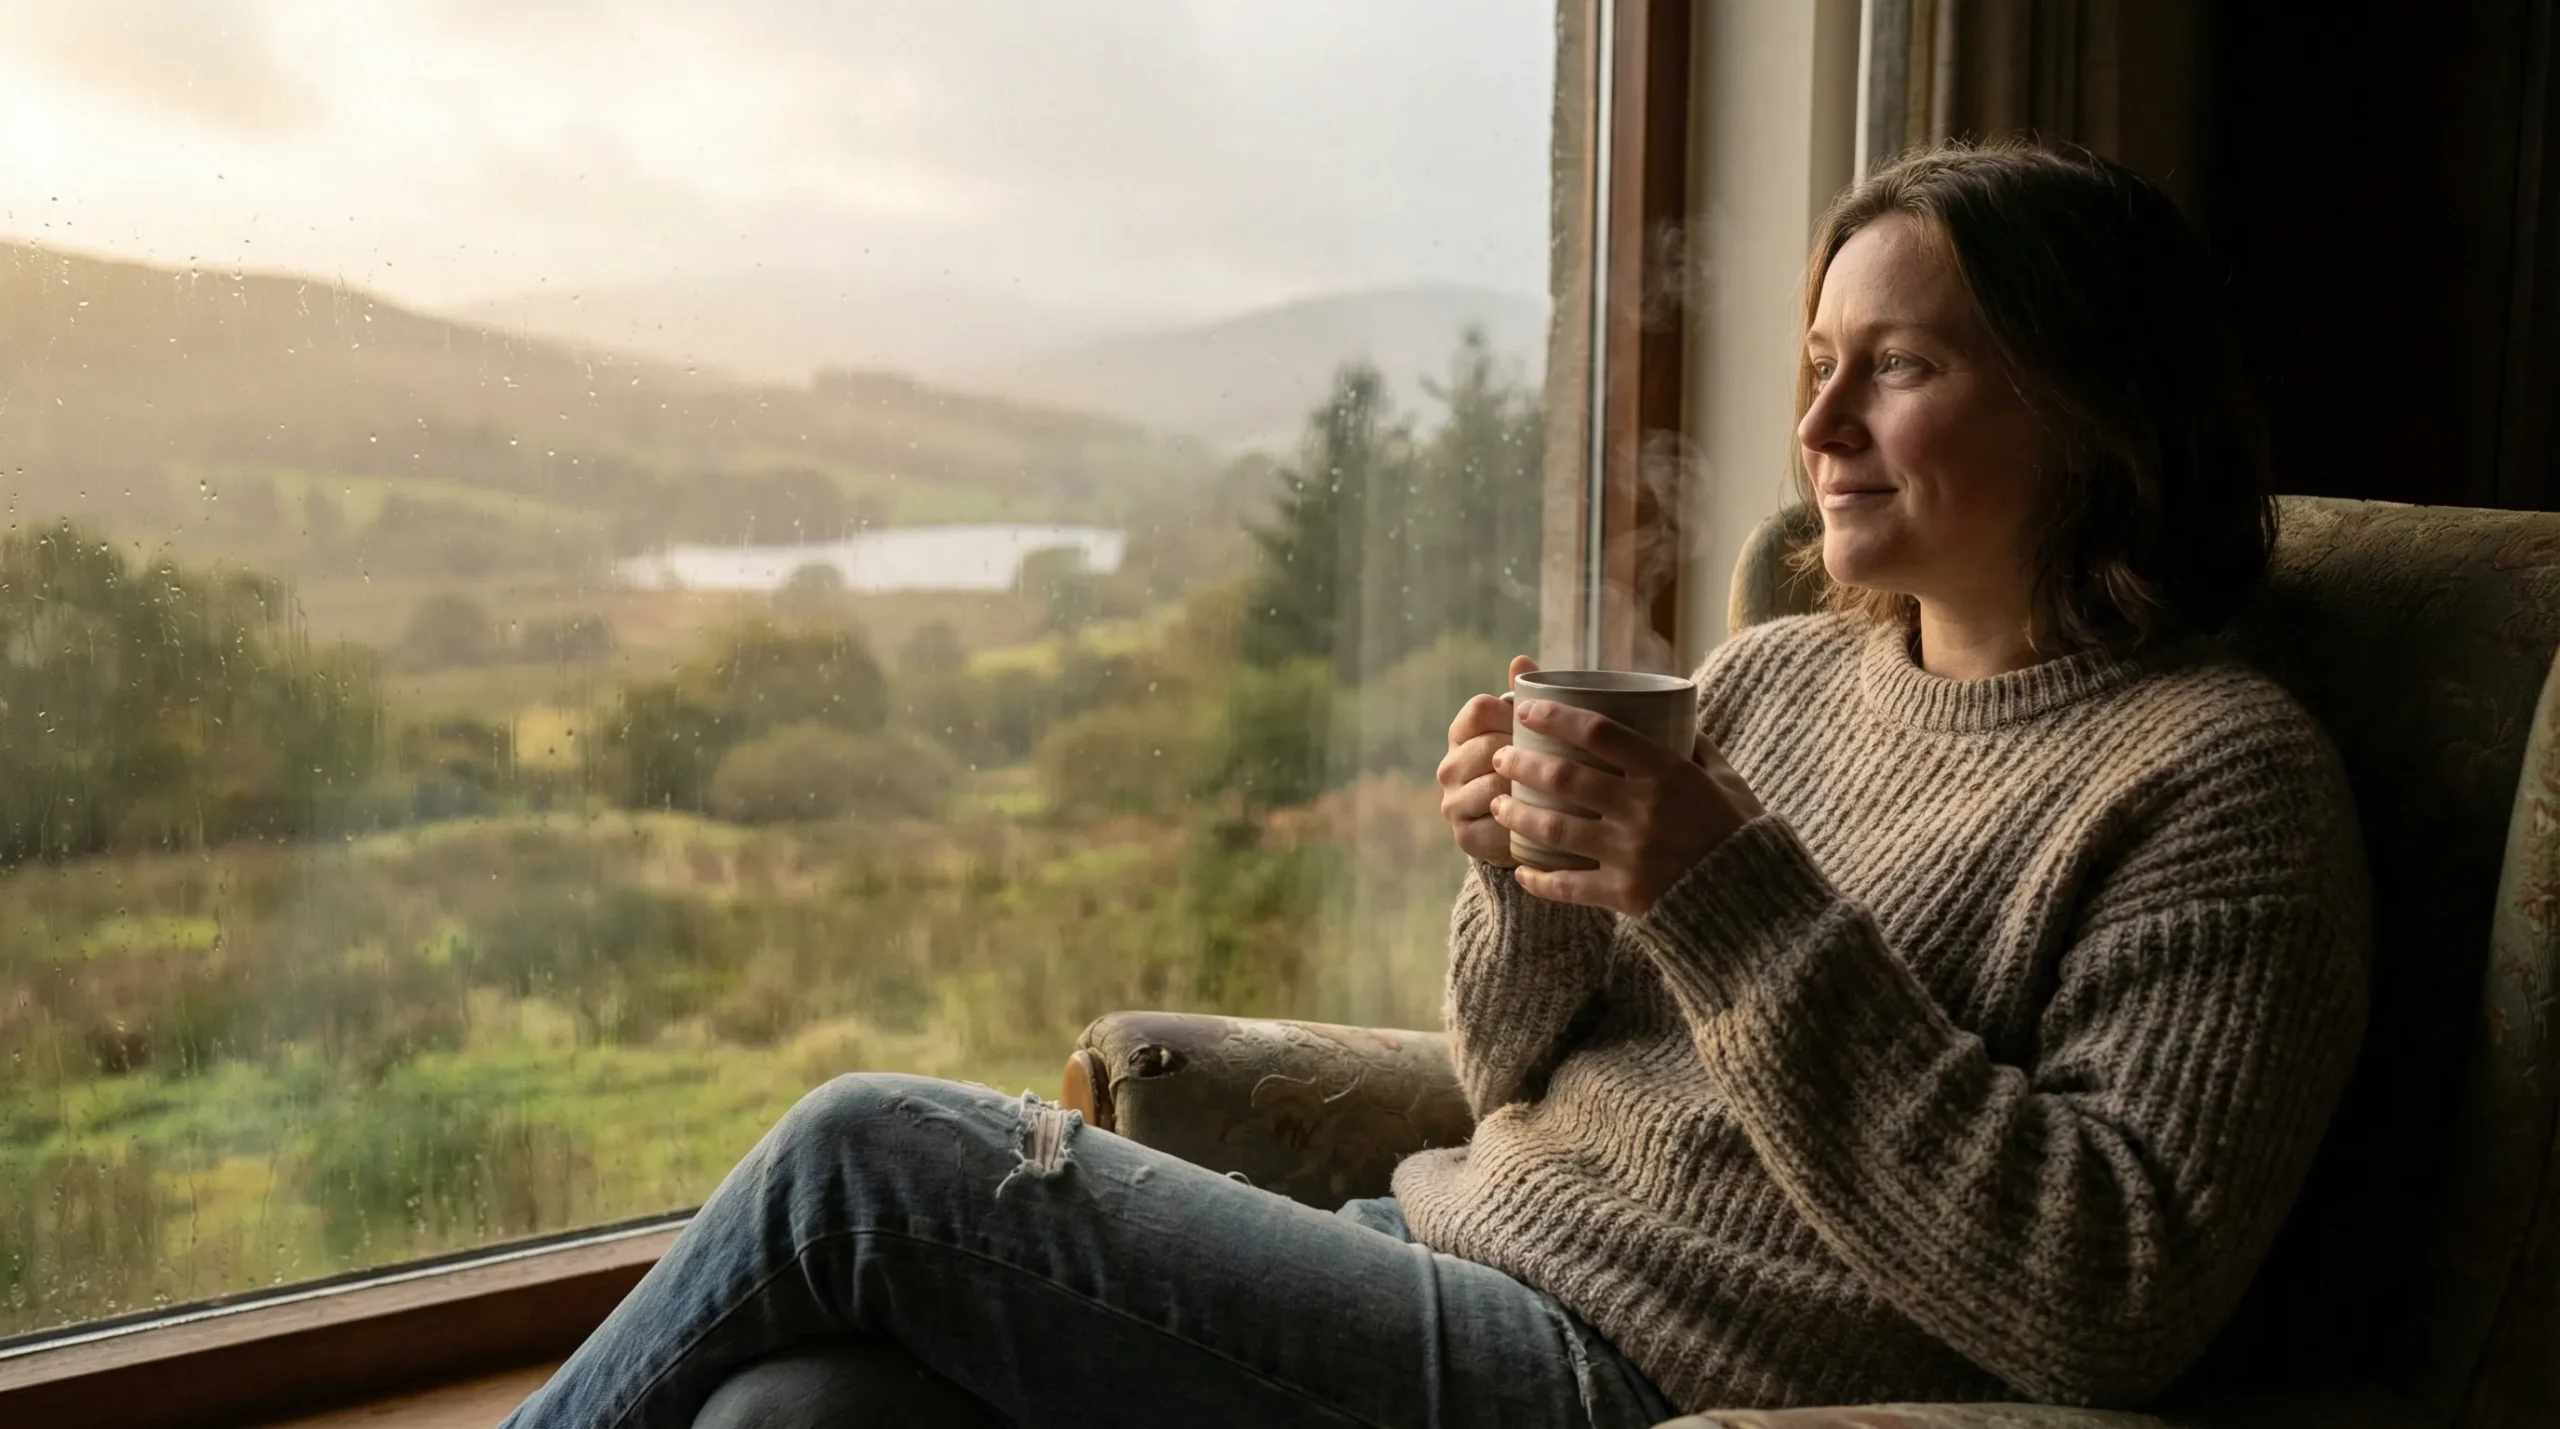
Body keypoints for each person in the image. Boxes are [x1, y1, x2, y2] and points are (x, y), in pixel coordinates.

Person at [500, 139, 2369, 1429]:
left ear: (2093, 407)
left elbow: (2113, 1298)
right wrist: (1523, 879)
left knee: (865, 1159)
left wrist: (1723, 892)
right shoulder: (1783, 677)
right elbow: (1510, 1078)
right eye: (1816, 366)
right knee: (802, 1407)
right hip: (1435, 1257)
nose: (1814, 432)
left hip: (1627, 1378)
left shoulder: (2215, 783)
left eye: (1901, 369)